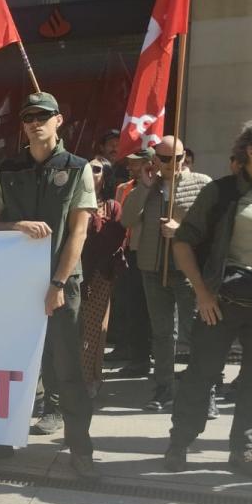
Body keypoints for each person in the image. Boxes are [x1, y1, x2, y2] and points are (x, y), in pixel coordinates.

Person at [163, 118, 252, 476]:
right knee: (201, 376)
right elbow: (183, 242)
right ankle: (180, 443)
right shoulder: (221, 192)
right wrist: (202, 293)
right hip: (221, 303)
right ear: (251, 150)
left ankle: (243, 450)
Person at [0, 92, 98, 477]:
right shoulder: (9, 168)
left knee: (67, 369)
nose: (34, 122)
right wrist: (17, 225)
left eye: (43, 116)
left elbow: (79, 233)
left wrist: (58, 283)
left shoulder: (77, 168)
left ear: (59, 120)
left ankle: (81, 448)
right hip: (14, 284)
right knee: (7, 366)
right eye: (28, 117)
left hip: (61, 284)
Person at [119, 136, 212, 410]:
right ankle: (163, 389)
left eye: (178, 158)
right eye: (165, 159)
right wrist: (145, 187)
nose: (173, 164)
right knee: (162, 334)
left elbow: (214, 227)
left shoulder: (202, 184)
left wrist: (180, 230)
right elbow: (127, 219)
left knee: (196, 333)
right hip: (153, 269)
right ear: (155, 160)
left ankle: (205, 393)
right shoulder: (147, 186)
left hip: (189, 271)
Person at [79, 158, 126, 398]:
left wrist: (93, 220)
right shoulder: (73, 200)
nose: (90, 171)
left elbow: (114, 239)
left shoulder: (112, 207)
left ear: (105, 177)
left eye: (96, 169)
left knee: (92, 329)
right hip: (71, 272)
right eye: (87, 167)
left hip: (98, 275)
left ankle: (88, 380)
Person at [107, 148, 156, 377]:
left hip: (152, 253)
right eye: (130, 163)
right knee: (130, 305)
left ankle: (153, 354)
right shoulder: (124, 188)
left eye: (135, 163)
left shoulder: (160, 186)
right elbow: (122, 219)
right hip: (128, 251)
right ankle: (131, 351)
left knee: (152, 309)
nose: (130, 167)